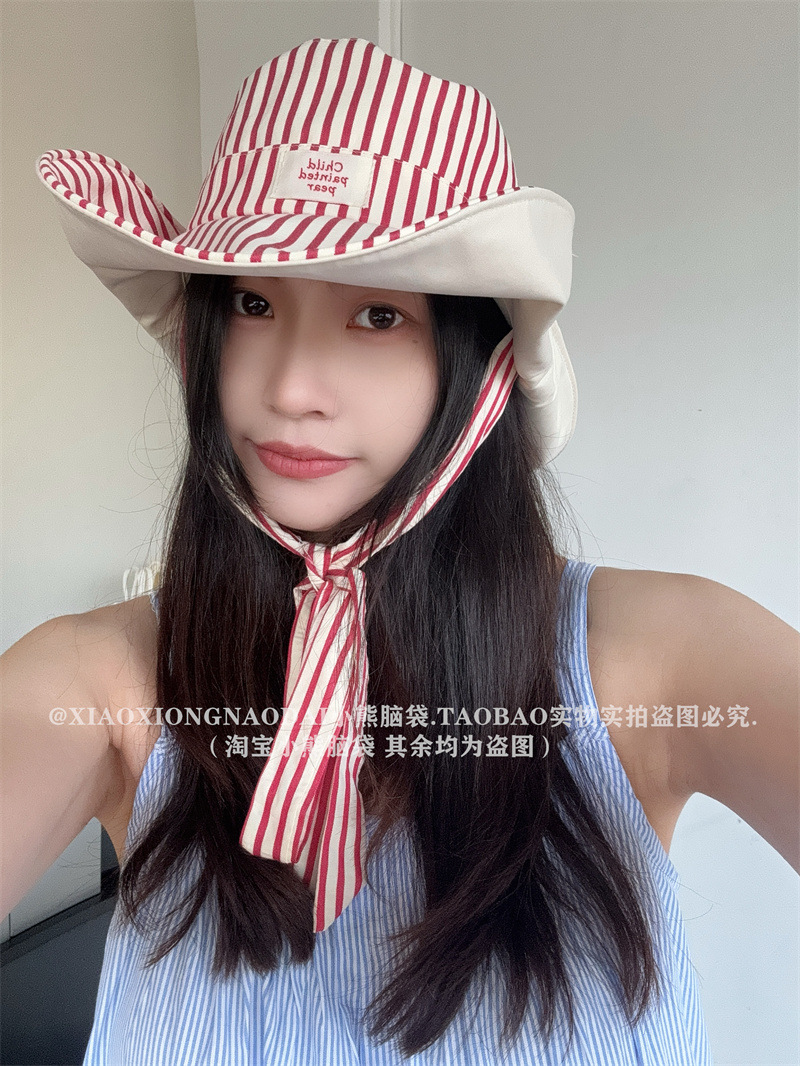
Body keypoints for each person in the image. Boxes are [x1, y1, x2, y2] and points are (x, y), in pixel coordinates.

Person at [2, 36, 797, 1065]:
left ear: (480, 368)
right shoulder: (105, 679)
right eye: (253, 302)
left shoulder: (661, 658)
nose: (290, 386)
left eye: (377, 315)